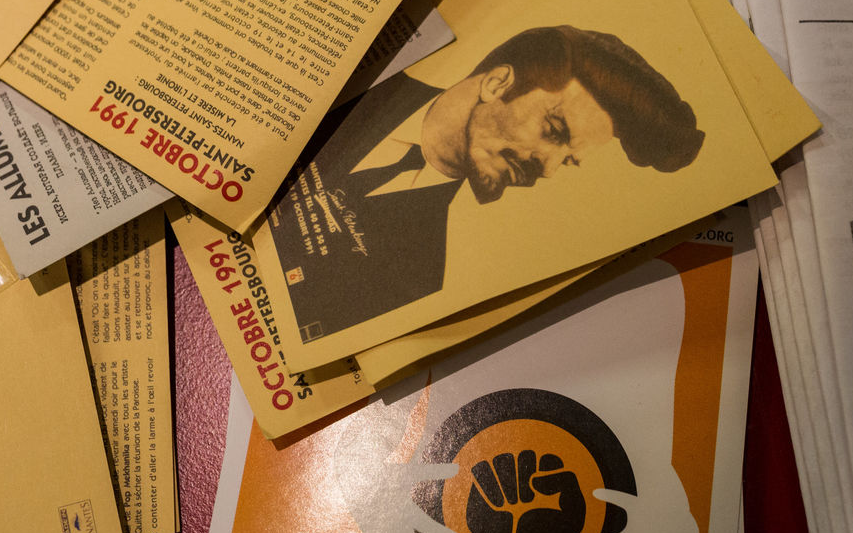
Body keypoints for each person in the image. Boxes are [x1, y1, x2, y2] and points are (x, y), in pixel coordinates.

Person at [268, 26, 704, 341]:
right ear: (498, 83)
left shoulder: (417, 277)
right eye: (554, 131)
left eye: (568, 161)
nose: (548, 169)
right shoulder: (356, 70)